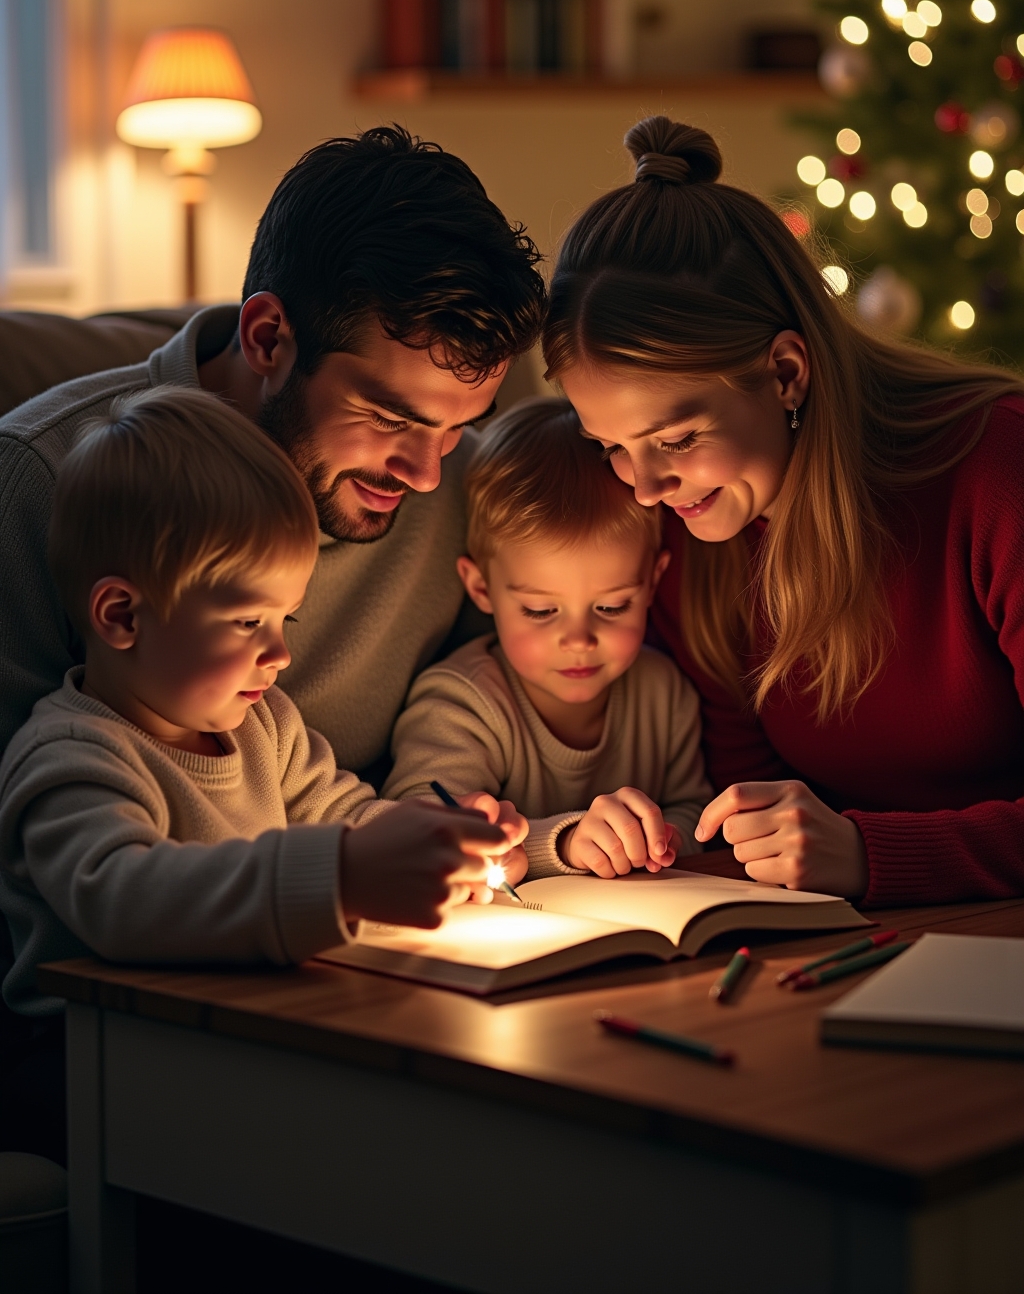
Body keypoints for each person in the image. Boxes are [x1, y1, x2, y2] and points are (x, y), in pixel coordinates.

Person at [0, 389, 523, 1156]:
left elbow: (342, 810)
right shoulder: (71, 758)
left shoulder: (263, 724)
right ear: (121, 617)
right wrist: (342, 878)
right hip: (90, 1063)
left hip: (232, 1031)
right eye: (249, 623)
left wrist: (440, 843)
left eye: (287, 621)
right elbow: (125, 900)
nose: (279, 655)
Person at [542, 114, 1024, 909]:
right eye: (613, 447)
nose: (644, 486)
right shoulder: (691, 534)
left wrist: (874, 854)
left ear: (787, 371)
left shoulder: (995, 474)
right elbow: (750, 803)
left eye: (676, 437)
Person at [0, 126, 546, 774]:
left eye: (457, 426)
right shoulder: (38, 480)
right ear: (266, 337)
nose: (427, 475)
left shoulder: (471, 489)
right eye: (388, 417)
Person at [384, 397, 711, 880]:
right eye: (541, 611)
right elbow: (419, 824)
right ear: (481, 589)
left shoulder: (664, 693)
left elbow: (693, 810)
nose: (578, 640)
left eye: (611, 607)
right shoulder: (461, 704)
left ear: (652, 582)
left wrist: (662, 839)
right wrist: (564, 843)